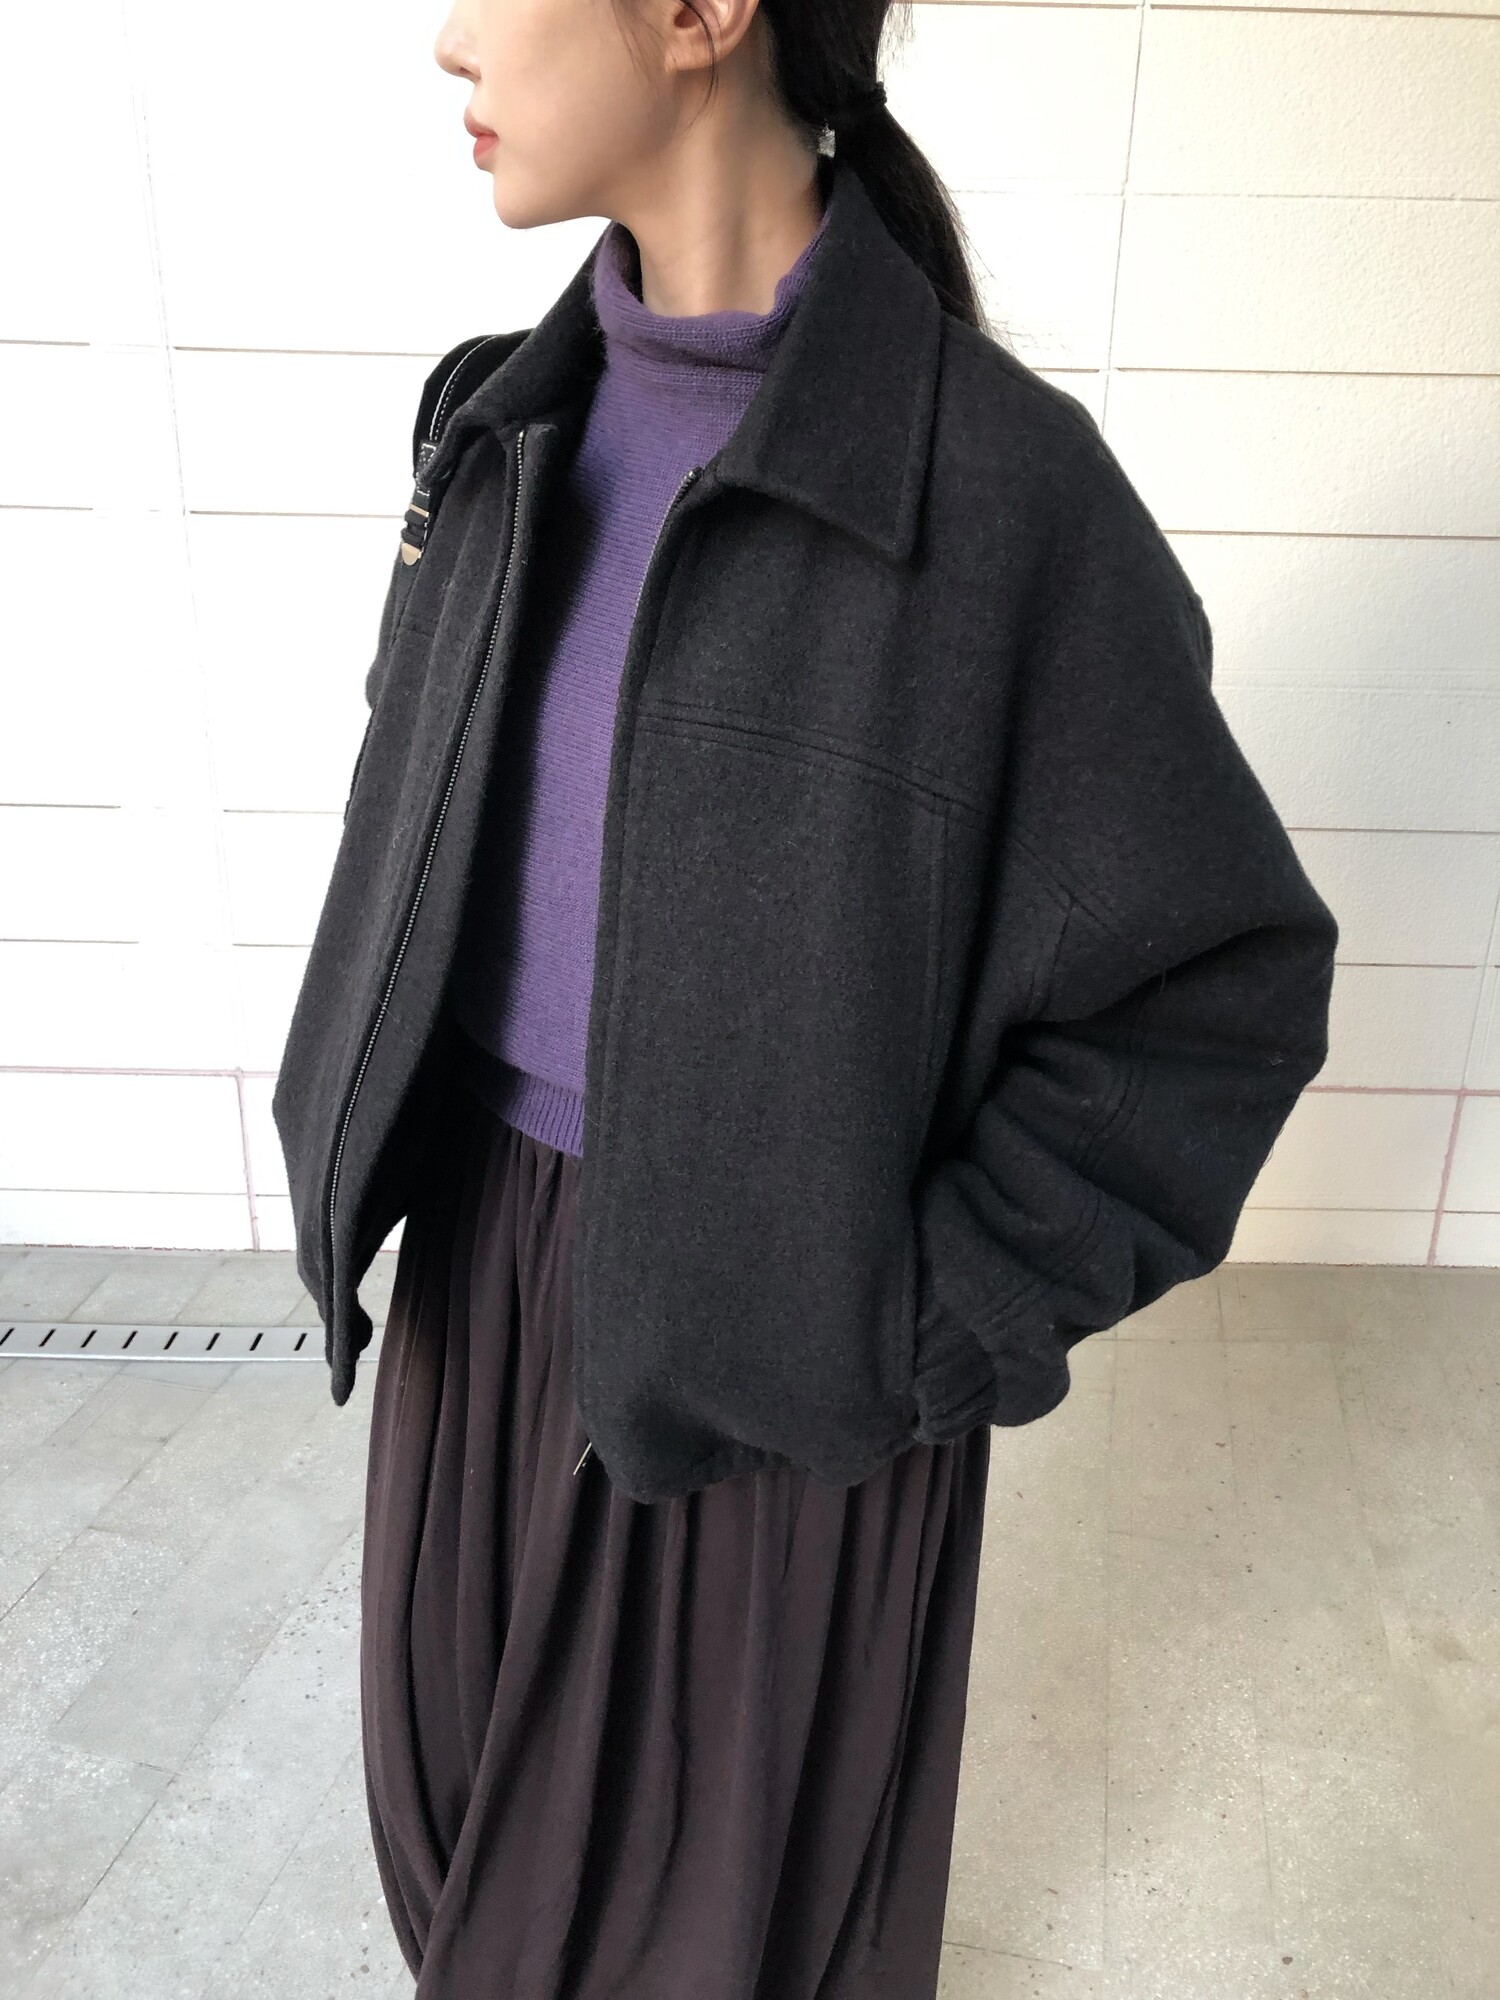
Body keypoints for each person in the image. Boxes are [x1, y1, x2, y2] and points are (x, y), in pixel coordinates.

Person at [269, 0, 1340, 1990]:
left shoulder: (1000, 499)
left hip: (780, 1375)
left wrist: (913, 1325)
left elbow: (1215, 990)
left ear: (700, 15)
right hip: (482, 1300)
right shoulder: (496, 429)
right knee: (461, 1889)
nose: (449, 39)